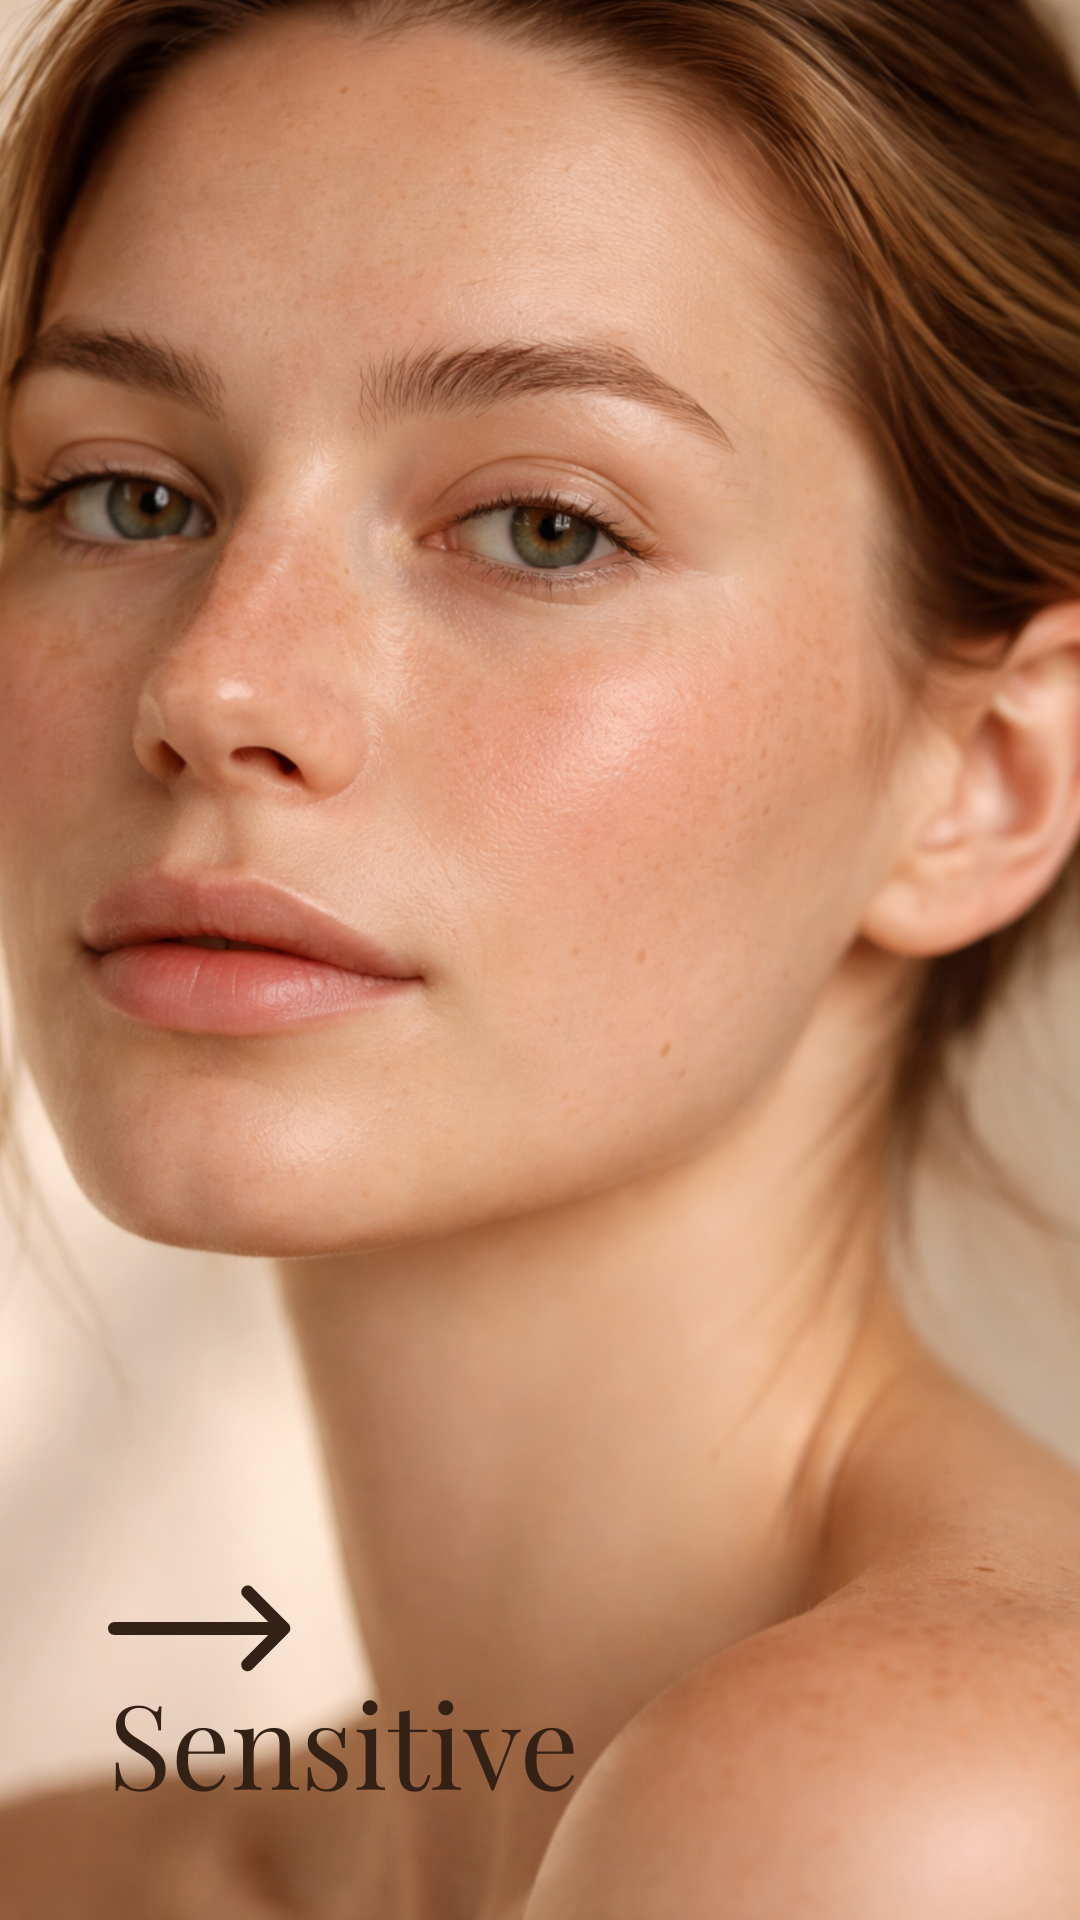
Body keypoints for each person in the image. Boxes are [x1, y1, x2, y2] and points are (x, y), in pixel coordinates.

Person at [2, 0, 1080, 1911]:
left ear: (984, 782)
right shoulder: (84, 1867)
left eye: (539, 526)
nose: (214, 683)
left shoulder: (919, 1818)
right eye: (125, 495)